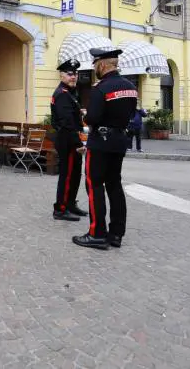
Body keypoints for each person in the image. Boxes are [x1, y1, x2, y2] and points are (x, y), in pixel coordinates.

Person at [73, 48, 137, 250]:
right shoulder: (130, 87)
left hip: (100, 142)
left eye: (95, 65)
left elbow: (92, 117)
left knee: (94, 185)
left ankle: (97, 234)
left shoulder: (101, 88)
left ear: (102, 64)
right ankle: (116, 233)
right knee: (115, 186)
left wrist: (84, 116)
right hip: (119, 141)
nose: (94, 69)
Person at [50, 58, 88, 221]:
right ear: (61, 76)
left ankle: (70, 203)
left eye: (76, 74)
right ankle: (60, 208)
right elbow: (66, 123)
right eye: (70, 74)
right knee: (67, 175)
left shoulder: (70, 93)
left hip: (71, 139)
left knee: (75, 175)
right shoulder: (63, 94)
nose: (73, 77)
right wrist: (78, 143)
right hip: (68, 141)